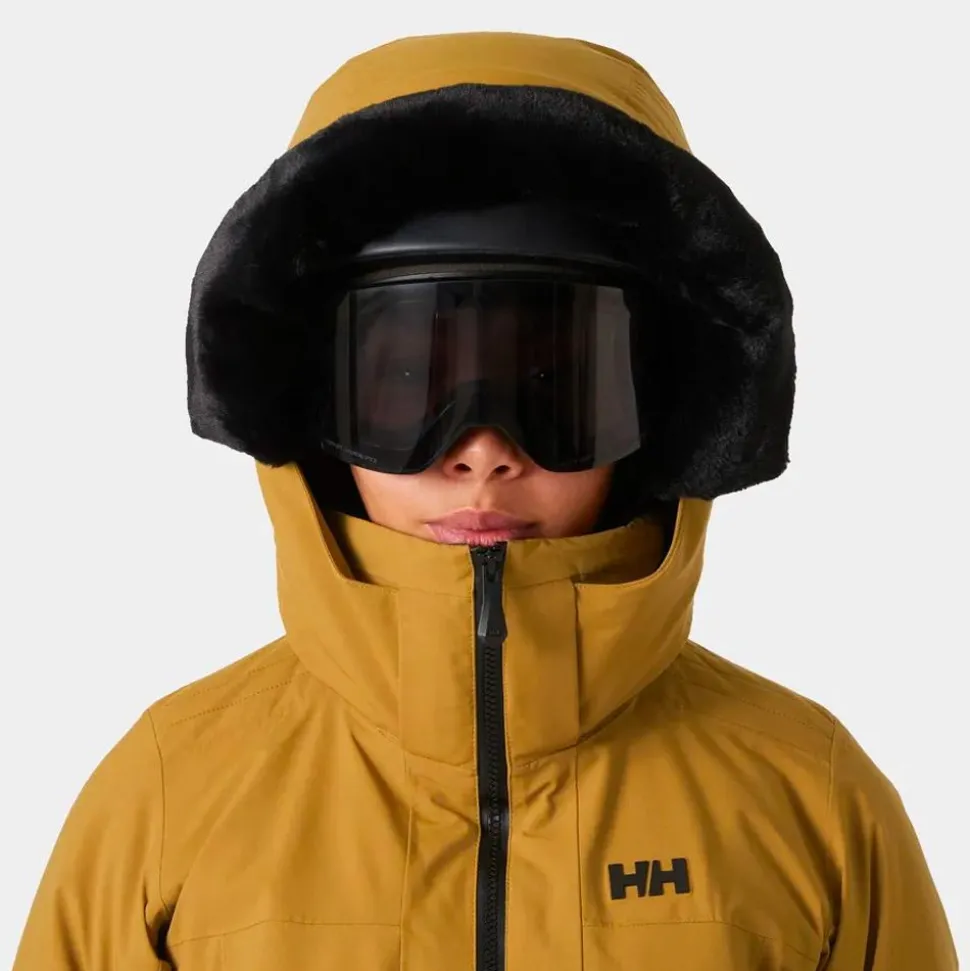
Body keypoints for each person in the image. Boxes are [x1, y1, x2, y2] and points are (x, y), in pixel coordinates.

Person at [12, 31, 958, 971]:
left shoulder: (809, 800)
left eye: (558, 387)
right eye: (406, 384)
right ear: (311, 406)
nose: (484, 452)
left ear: (662, 405)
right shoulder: (173, 795)